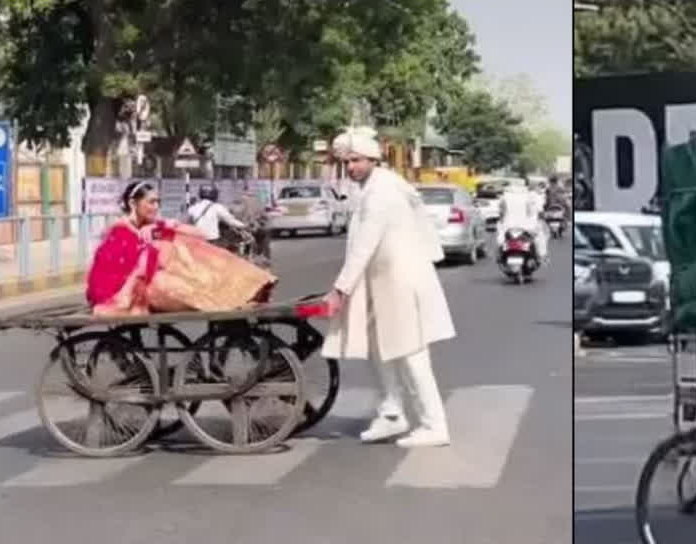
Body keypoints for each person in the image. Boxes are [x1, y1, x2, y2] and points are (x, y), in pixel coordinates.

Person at [322, 126, 456, 448]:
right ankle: (392, 412)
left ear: (372, 158)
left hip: (401, 282)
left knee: (411, 354)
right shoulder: (374, 186)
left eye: (355, 160)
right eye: (347, 162)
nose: (351, 167)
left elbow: (365, 244)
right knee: (380, 348)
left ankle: (433, 425)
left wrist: (340, 289)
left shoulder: (383, 190)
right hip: (386, 283)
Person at [86, 181, 276, 316]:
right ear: (133, 204)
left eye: (157, 202)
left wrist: (169, 226)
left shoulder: (152, 225)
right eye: (151, 202)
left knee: (184, 244)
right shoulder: (119, 230)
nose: (156, 207)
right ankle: (229, 295)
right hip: (126, 289)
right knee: (171, 247)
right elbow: (135, 270)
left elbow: (200, 234)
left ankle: (246, 287)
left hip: (151, 280)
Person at [497, 183, 548, 264]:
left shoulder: (505, 198)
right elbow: (539, 212)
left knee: (501, 238)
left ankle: (500, 256)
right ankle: (541, 257)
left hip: (508, 227)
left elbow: (501, 214)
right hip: (528, 227)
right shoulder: (533, 197)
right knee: (540, 237)